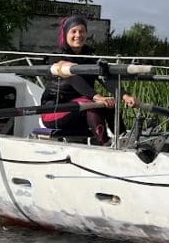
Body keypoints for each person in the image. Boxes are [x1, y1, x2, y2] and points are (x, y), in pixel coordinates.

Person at [40, 15, 138, 145]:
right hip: (54, 111)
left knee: (109, 105)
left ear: (86, 34)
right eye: (73, 31)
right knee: (92, 104)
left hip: (80, 109)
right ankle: (104, 143)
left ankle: (125, 140)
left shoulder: (91, 57)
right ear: (66, 34)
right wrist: (96, 96)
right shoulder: (57, 57)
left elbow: (106, 78)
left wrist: (125, 96)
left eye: (82, 31)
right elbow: (73, 78)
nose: (78, 35)